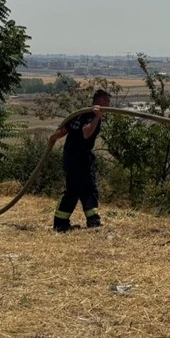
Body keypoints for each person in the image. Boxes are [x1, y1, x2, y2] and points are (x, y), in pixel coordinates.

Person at [49, 88, 110, 232]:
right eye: (107, 102)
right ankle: (89, 222)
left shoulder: (79, 114)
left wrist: (52, 138)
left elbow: (64, 131)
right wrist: (97, 118)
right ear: (100, 101)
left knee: (77, 189)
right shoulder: (90, 116)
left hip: (70, 158)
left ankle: (63, 223)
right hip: (80, 158)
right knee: (86, 189)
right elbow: (86, 134)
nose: (109, 105)